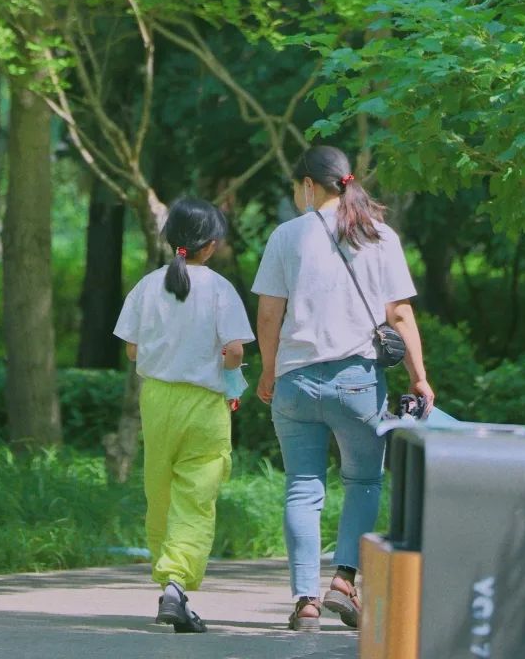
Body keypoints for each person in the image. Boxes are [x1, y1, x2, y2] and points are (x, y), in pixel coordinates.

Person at [252, 144, 433, 635]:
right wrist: (419, 376)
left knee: (303, 487)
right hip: (357, 382)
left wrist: (268, 370)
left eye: (295, 189)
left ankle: (305, 600)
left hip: (295, 382)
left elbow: (269, 314)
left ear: (309, 185)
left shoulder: (286, 236)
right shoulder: (379, 234)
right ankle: (344, 581)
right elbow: (399, 314)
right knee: (364, 482)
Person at [114, 198, 254, 634]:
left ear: (170, 238)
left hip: (156, 400)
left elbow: (132, 349)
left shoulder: (147, 285)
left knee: (160, 491)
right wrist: (230, 378)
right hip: (204, 404)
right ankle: (176, 584)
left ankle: (165, 572)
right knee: (196, 496)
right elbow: (234, 350)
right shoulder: (219, 289)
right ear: (210, 245)